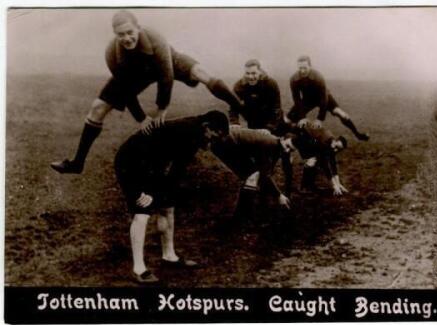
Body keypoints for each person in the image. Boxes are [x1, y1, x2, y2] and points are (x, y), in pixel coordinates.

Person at [51, 10, 241, 174]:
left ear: (138, 28)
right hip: (136, 73)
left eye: (130, 32)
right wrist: (142, 118)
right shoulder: (112, 54)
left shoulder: (156, 39)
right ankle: (77, 163)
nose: (126, 38)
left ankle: (240, 105)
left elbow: (166, 76)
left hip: (167, 62)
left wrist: (161, 109)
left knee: (201, 72)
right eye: (120, 34)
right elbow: (125, 89)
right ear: (115, 35)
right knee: (97, 108)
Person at [114, 110, 229, 283]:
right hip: (131, 162)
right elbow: (153, 158)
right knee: (143, 209)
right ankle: (138, 269)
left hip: (152, 163)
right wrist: (143, 191)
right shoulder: (185, 130)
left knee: (168, 207)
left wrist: (167, 192)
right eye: (212, 137)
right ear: (206, 127)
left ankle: (169, 255)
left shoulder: (196, 134)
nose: (211, 144)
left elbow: (177, 168)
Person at [211, 126, 295, 223]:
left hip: (229, 141)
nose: (287, 151)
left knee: (252, 175)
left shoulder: (276, 145)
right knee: (252, 176)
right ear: (282, 139)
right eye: (287, 146)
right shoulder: (270, 144)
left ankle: (243, 216)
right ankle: (240, 218)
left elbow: (267, 171)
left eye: (291, 150)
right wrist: (278, 195)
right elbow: (265, 173)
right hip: (225, 143)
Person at [286, 55, 369, 141]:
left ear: (310, 66)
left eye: (305, 68)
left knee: (341, 114)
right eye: (300, 68)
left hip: (322, 97)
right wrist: (302, 117)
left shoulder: (318, 77)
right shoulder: (294, 79)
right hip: (307, 100)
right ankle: (289, 138)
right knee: (288, 119)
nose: (302, 71)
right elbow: (297, 99)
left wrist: (319, 119)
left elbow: (324, 99)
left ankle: (358, 134)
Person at [292, 120, 349, 196]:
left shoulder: (332, 145)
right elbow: (326, 167)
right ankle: (304, 187)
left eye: (339, 149)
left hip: (311, 139)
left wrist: (338, 184)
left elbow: (333, 164)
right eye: (336, 147)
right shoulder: (325, 142)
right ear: (335, 141)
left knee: (316, 160)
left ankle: (310, 185)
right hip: (301, 136)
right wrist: (334, 186)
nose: (336, 150)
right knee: (312, 161)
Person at [229, 59, 283, 132]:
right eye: (247, 73)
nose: (250, 77)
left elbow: (276, 108)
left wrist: (270, 128)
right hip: (253, 121)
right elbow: (233, 105)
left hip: (273, 121)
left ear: (259, 72)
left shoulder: (270, 84)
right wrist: (234, 122)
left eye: (254, 73)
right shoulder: (239, 86)